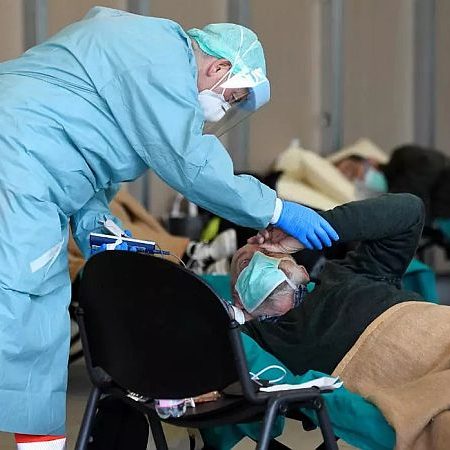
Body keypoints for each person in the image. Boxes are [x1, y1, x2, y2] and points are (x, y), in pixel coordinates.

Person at [0, 6, 339, 448]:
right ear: (218, 67)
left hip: (27, 165)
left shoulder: (140, 53)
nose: (222, 110)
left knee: (38, 311)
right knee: (26, 302)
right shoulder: (159, 60)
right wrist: (275, 210)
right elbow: (189, 162)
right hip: (17, 167)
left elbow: (81, 162)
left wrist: (99, 229)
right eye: (232, 97)